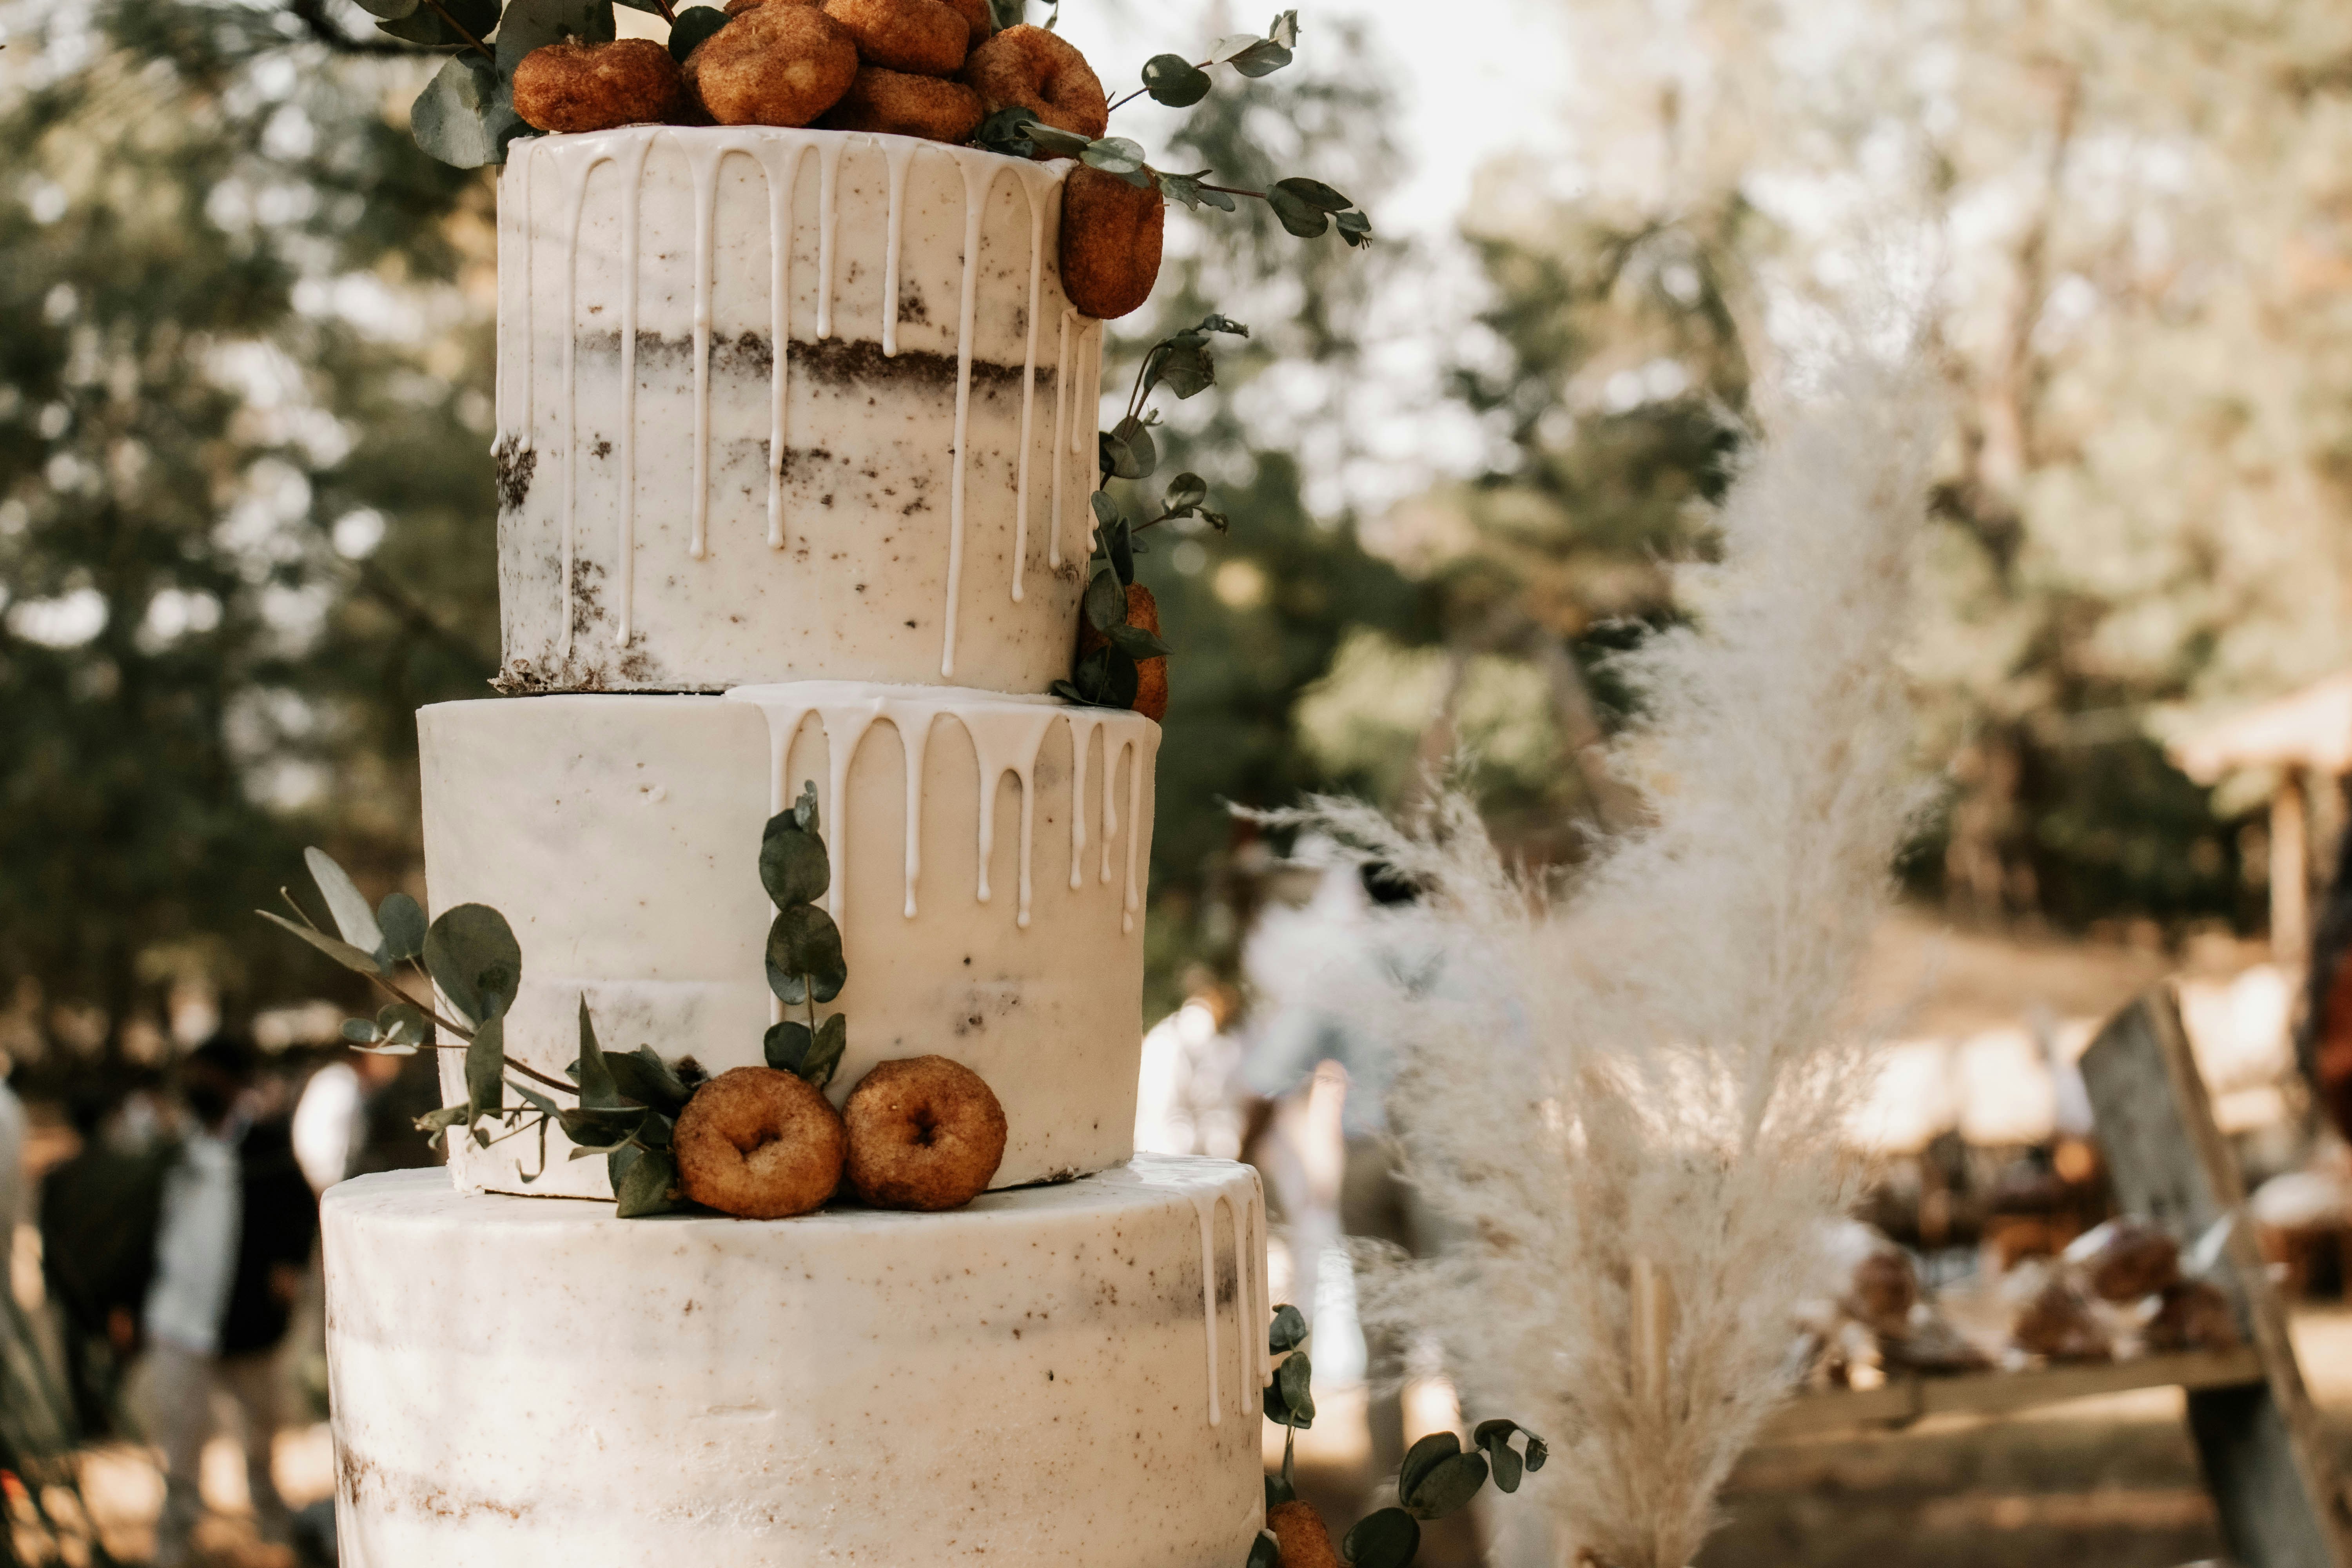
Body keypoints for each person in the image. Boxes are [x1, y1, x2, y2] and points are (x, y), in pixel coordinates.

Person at [1238, 853, 1445, 1486]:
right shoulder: (1476, 961)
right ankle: (1502, 1521)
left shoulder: (1345, 966)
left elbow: (1272, 1073)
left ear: (1361, 893)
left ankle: (1393, 1503)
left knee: (1381, 1336)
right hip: (1453, 1159)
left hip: (1368, 1152)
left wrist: (1238, 1157)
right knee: (1473, 1330)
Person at [143, 1035, 318, 1568]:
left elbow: (298, 1215)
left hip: (249, 1323)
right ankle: (173, 1544)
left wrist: (285, 1274)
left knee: (261, 1436)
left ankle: (273, 1528)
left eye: (207, 1077)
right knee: (181, 1444)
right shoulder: (173, 1146)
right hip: (179, 1320)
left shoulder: (265, 1148)